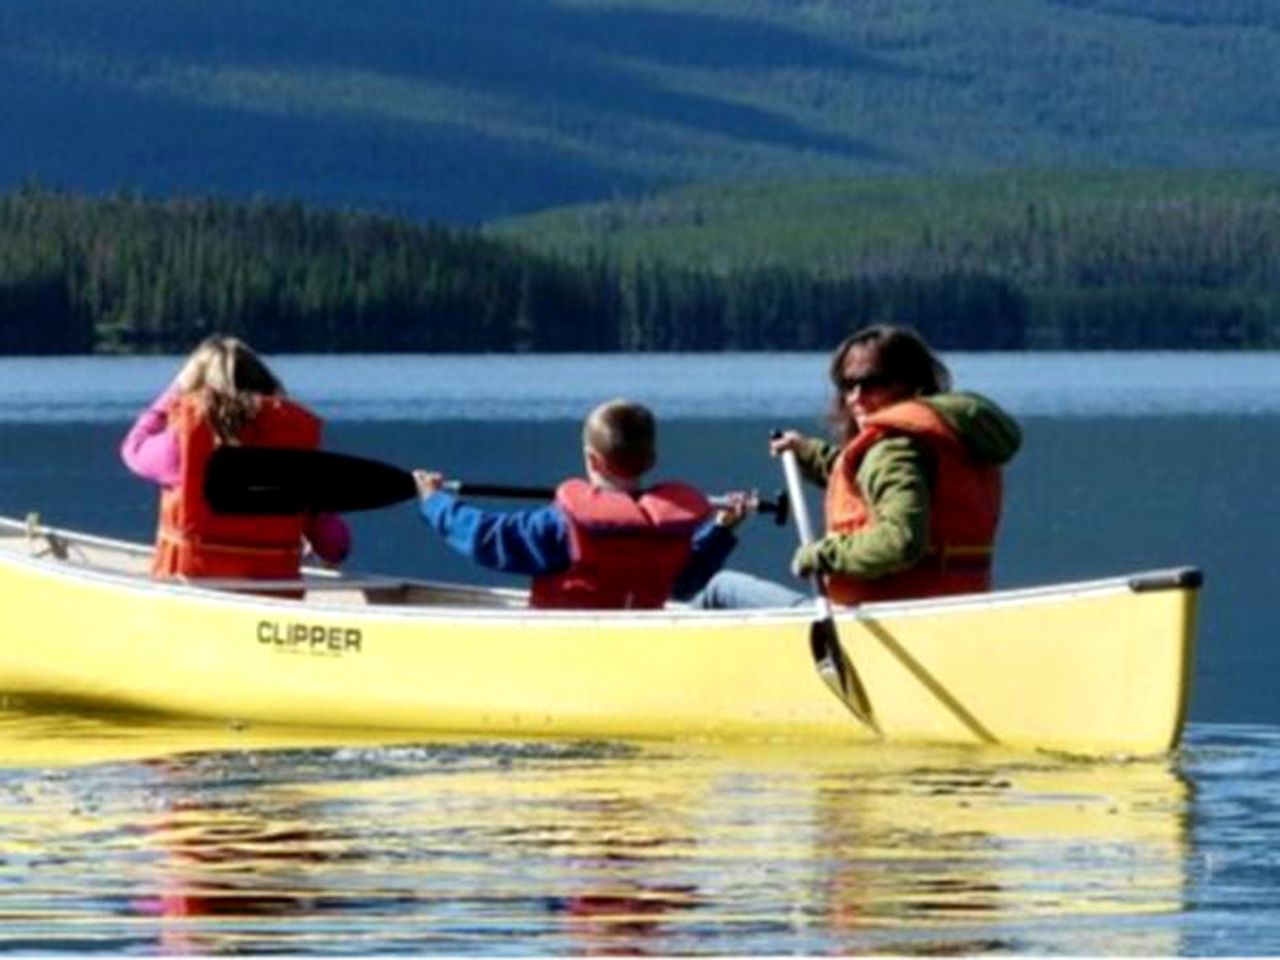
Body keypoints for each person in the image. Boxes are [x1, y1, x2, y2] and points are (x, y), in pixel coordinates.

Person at [693, 324, 1021, 609]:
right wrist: (808, 452)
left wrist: (821, 554)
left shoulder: (895, 448)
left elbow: (900, 541)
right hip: (953, 607)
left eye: (873, 382)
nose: (856, 397)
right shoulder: (950, 436)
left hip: (882, 617)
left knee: (721, 589)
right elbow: (874, 483)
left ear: (911, 381)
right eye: (848, 384)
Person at [413, 398, 748, 609]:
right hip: (638, 649)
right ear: (652, 459)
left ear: (592, 459)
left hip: (566, 650)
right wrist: (721, 530)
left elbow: (485, 538)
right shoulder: (670, 531)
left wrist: (434, 501)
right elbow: (684, 583)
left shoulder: (562, 526)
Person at [120, 334, 350, 581]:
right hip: (272, 594)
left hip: (193, 589)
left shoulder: (182, 444)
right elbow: (335, 545)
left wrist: (174, 392)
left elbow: (133, 448)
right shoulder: (294, 444)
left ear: (194, 389)